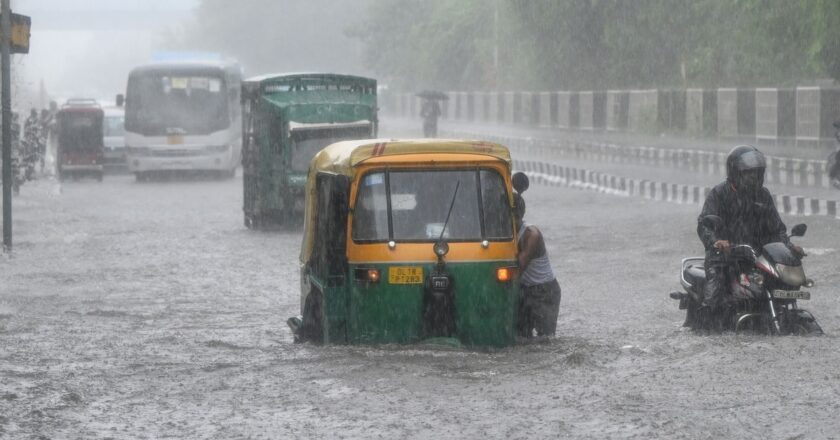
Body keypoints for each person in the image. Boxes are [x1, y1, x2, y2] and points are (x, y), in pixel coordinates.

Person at [696, 145, 804, 331]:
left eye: (757, 173)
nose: (754, 177)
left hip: (757, 258)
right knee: (715, 293)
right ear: (736, 173)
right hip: (724, 258)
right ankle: (706, 330)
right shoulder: (719, 194)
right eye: (749, 173)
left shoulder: (763, 196)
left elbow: (776, 229)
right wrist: (716, 242)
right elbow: (705, 224)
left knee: (785, 285)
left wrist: (789, 247)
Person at [514, 191, 561, 338]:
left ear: (517, 215)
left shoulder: (531, 235)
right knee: (521, 339)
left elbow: (517, 271)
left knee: (546, 340)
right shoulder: (503, 232)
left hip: (544, 291)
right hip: (524, 290)